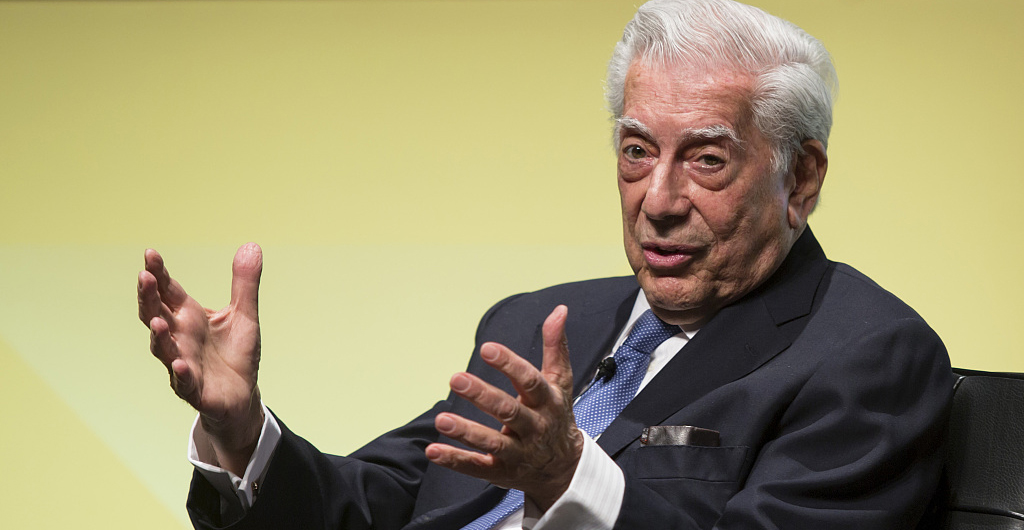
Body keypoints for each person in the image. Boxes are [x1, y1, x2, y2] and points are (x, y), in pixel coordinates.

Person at [137, 0, 954, 528]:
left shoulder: (868, 354)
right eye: (636, 152)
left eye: (706, 160)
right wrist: (241, 431)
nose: (658, 200)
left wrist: (573, 481)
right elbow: (378, 505)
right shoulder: (540, 321)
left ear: (800, 177)